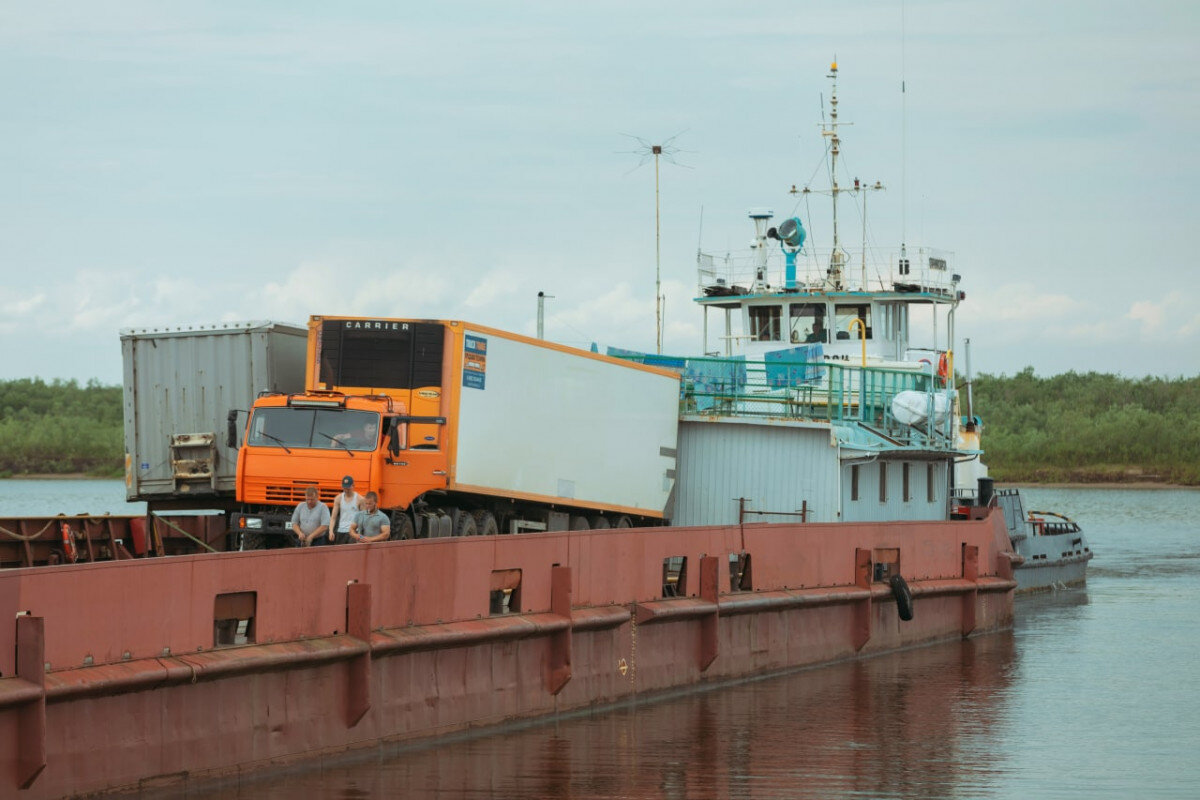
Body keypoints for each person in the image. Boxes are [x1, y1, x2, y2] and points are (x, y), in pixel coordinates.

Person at [329, 475, 363, 544]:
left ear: (353, 486)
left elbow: (363, 518)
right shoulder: (338, 498)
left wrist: (360, 534)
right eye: (344, 488)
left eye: (348, 488)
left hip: (354, 531)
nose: (346, 490)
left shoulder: (360, 499)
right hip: (341, 531)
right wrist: (331, 531)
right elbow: (333, 517)